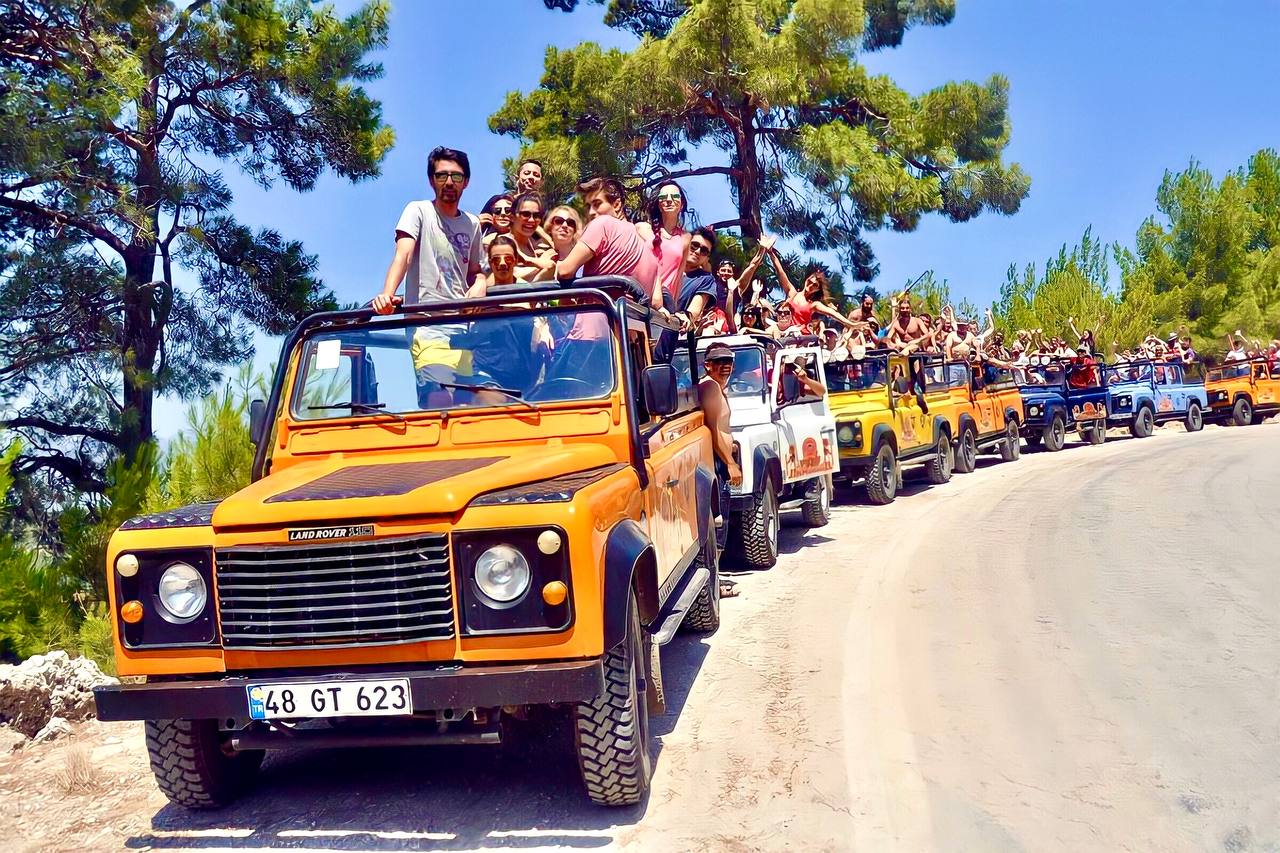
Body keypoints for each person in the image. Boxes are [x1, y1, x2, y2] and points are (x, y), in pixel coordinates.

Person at [373, 146, 485, 406]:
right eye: (441, 175)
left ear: (466, 182)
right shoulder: (418, 211)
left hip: (464, 331)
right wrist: (387, 295)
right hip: (428, 327)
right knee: (439, 400)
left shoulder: (473, 224)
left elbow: (476, 271)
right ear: (431, 180)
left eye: (456, 176)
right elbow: (404, 256)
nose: (448, 182)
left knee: (467, 408)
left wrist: (480, 284)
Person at [767, 250, 860, 331]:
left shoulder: (813, 304)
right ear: (806, 279)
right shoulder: (792, 294)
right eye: (810, 281)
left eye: (814, 285)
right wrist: (770, 253)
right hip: (786, 336)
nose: (810, 285)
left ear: (817, 289)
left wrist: (850, 323)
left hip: (801, 340)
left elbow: (832, 313)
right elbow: (780, 272)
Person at [635, 180, 690, 302]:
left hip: (665, 304)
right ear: (659, 205)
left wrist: (674, 310)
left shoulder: (686, 238)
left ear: (681, 204)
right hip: (641, 298)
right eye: (663, 197)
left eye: (675, 196)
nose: (669, 200)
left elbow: (678, 277)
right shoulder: (643, 229)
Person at [673, 227, 720, 331]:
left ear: (707, 258)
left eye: (704, 251)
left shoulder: (706, 280)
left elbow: (695, 310)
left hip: (671, 331)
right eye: (694, 245)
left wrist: (685, 316)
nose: (697, 251)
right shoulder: (667, 264)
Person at [509, 192, 556, 282]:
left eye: (536, 216)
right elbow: (508, 276)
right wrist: (542, 264)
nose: (531, 220)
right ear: (512, 217)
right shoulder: (505, 243)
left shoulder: (532, 246)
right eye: (525, 214)